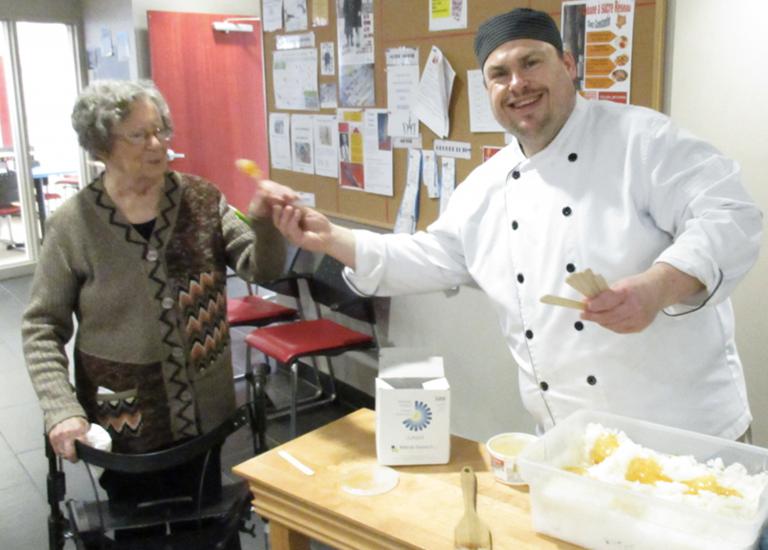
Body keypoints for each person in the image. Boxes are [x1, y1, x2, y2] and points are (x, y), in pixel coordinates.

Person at [270, 8, 763, 441]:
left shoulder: (644, 140)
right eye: (498, 73)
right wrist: (330, 238)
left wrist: (658, 288)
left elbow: (729, 216)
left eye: (531, 62)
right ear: (488, 90)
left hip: (685, 433)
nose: (517, 84)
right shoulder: (487, 186)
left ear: (568, 65)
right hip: (571, 440)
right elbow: (431, 256)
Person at [22, 80, 296, 546]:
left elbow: (261, 267)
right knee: (136, 536)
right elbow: (41, 327)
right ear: (101, 144)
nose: (158, 144)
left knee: (211, 530)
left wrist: (264, 222)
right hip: (124, 422)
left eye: (160, 130)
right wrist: (60, 409)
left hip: (205, 421)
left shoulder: (203, 200)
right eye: (139, 135)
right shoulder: (73, 225)